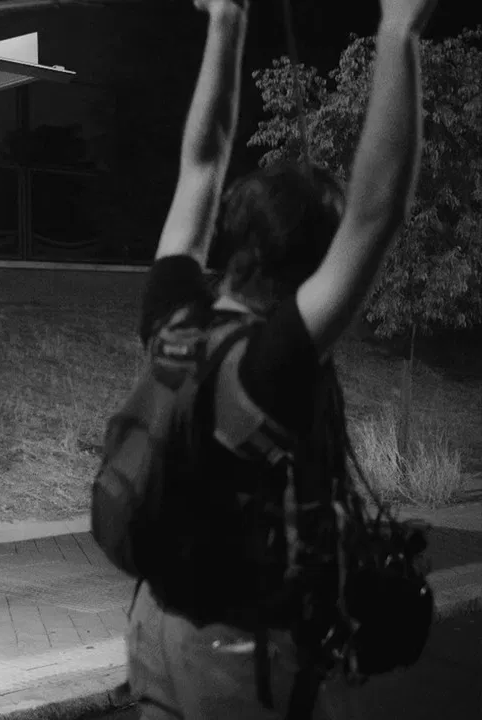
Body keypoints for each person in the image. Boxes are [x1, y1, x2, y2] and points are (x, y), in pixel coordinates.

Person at [126, 0, 433, 717]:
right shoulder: (272, 366)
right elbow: (376, 213)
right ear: (314, 266)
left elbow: (203, 161)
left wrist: (225, 18)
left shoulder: (173, 315)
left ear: (238, 239)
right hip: (237, 662)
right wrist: (399, 28)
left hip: (153, 630)